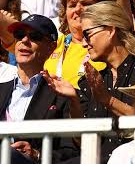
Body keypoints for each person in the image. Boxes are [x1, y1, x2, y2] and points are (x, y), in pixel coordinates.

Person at [42, 1, 135, 163]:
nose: (83, 44)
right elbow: (81, 141)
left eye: (87, 35)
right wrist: (74, 99)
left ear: (110, 30)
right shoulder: (91, 81)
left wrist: (107, 100)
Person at [0, 14, 77, 164]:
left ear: (51, 47)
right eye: (19, 35)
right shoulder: (2, 89)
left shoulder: (63, 95)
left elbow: (72, 151)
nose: (24, 41)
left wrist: (37, 154)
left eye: (35, 36)